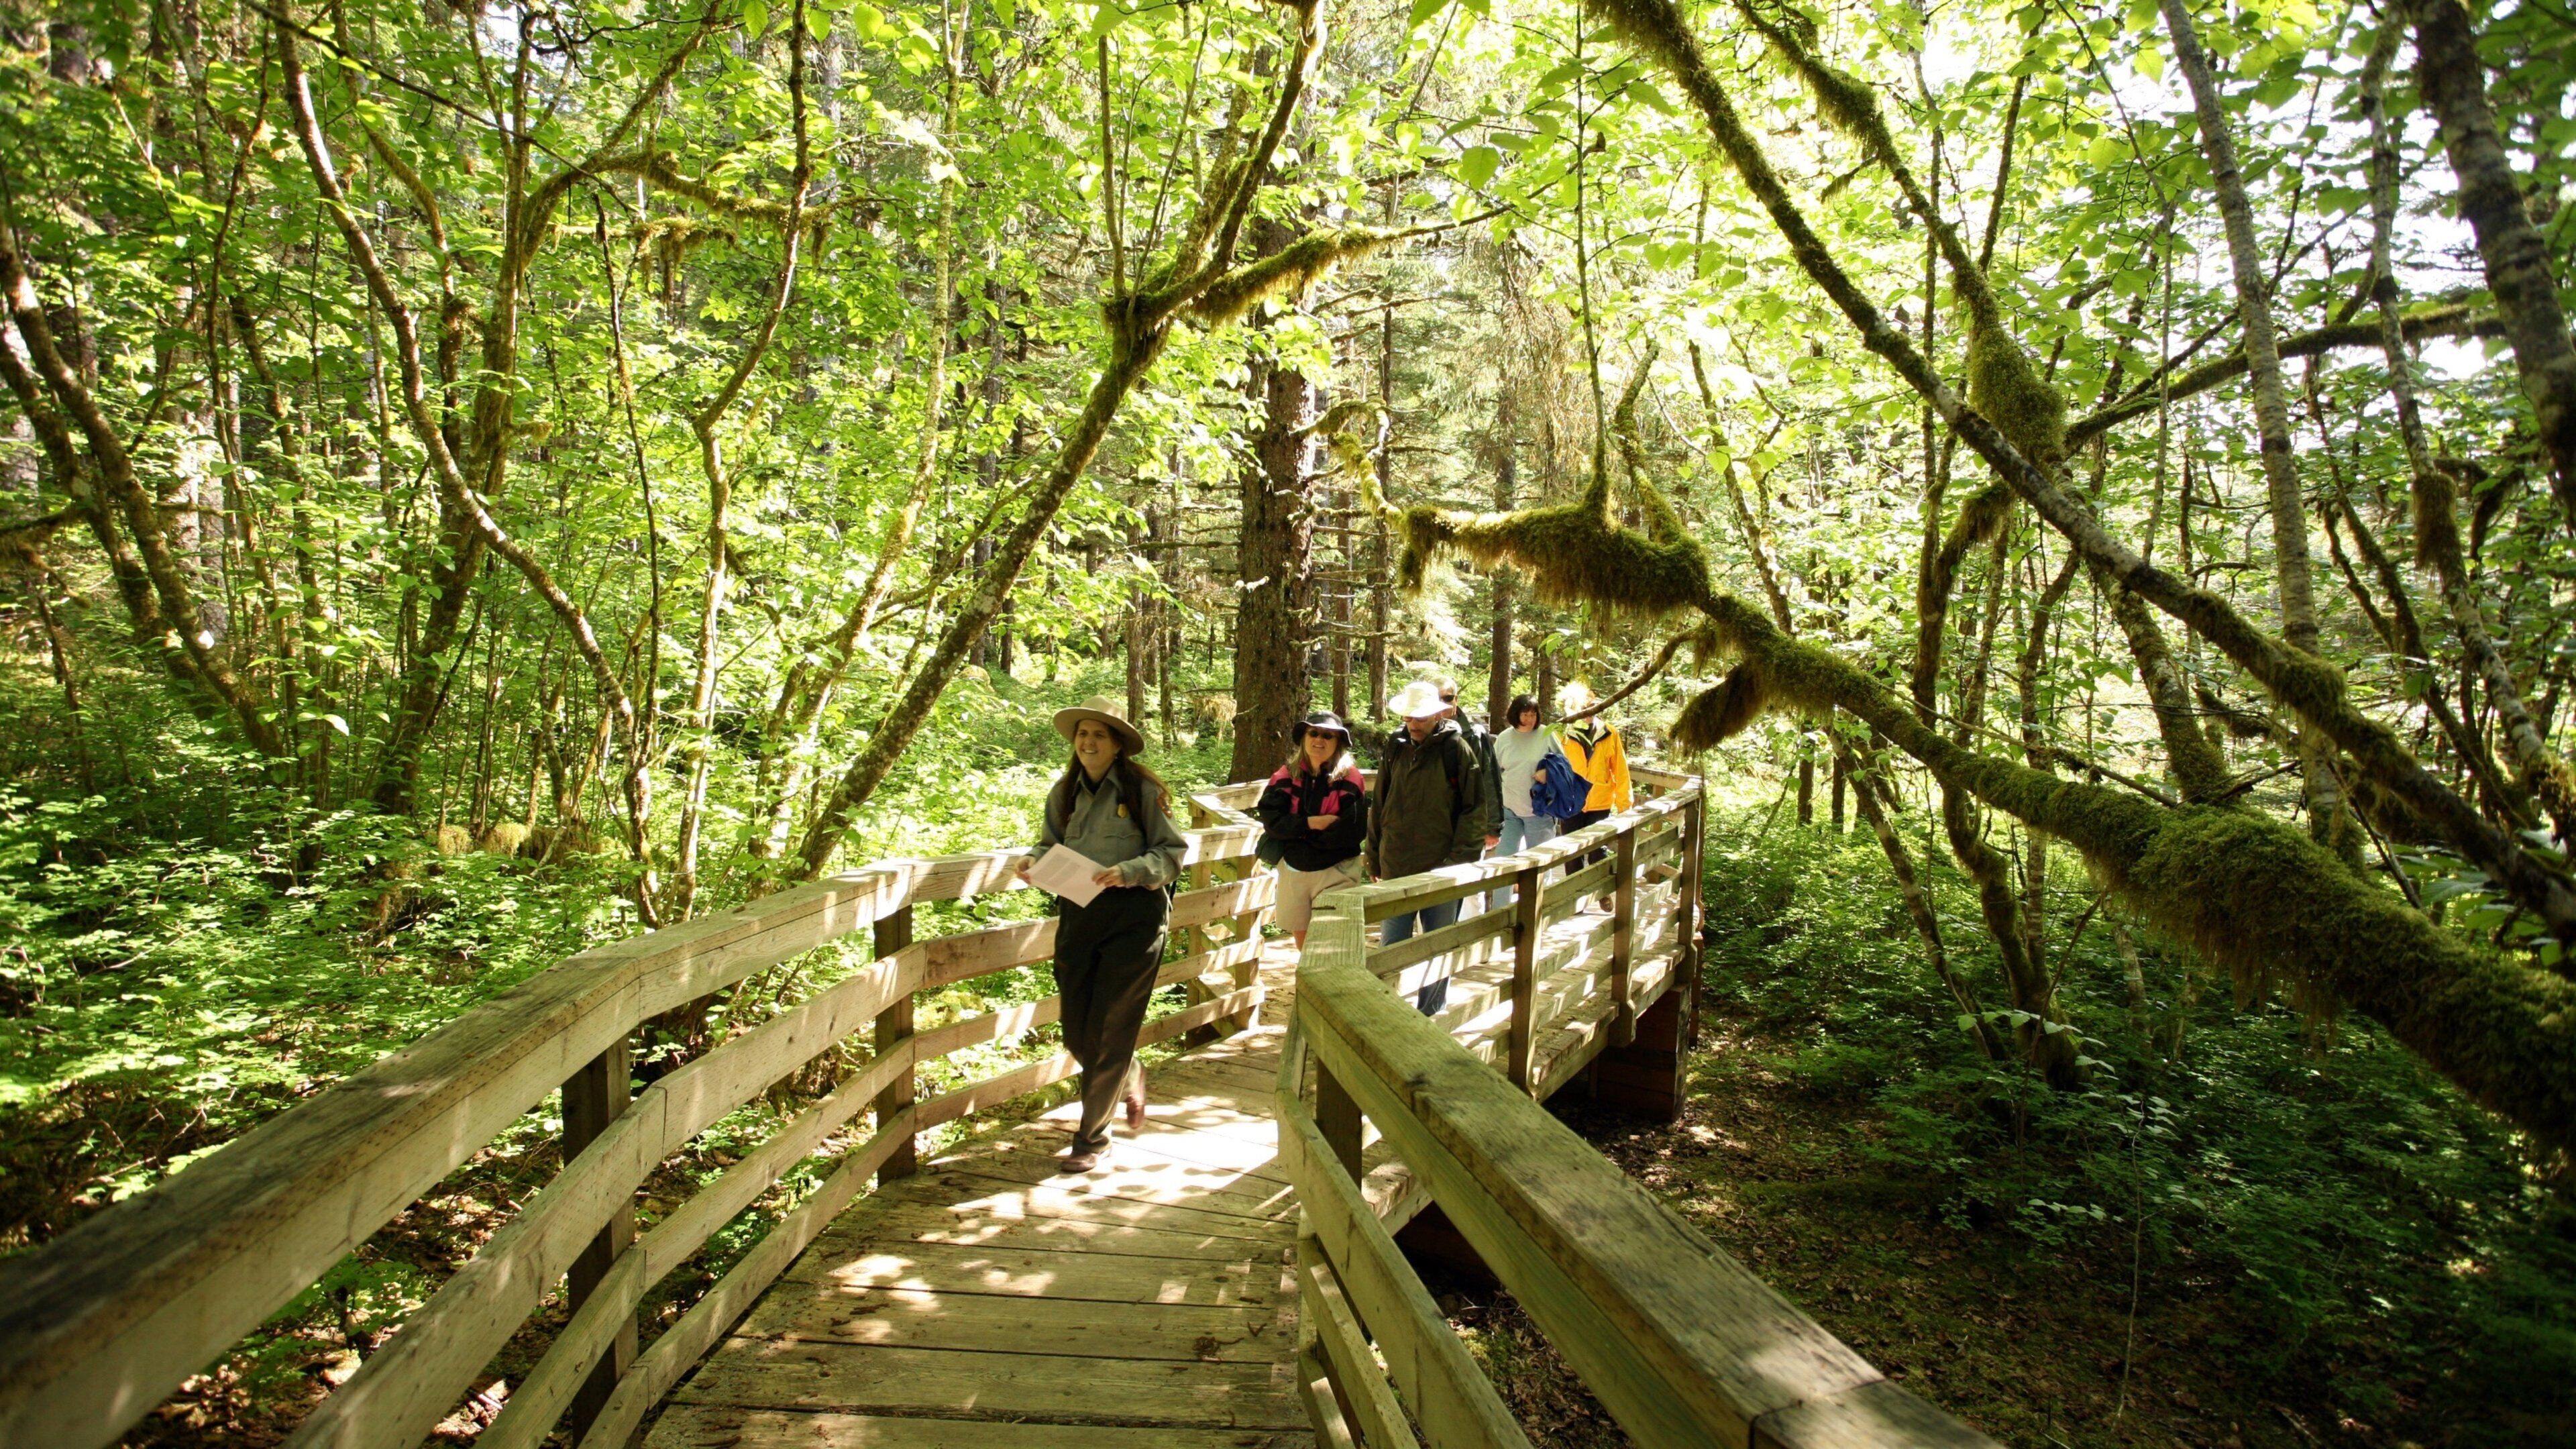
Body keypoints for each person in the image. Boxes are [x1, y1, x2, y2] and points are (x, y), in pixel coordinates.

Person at [1012, 696, 1186, 1173]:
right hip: (1079, 916)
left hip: (1135, 917)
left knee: (1111, 1027)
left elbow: (1171, 853)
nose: (1088, 742)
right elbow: (1048, 843)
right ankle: (1129, 1073)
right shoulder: (1064, 791)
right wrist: (1031, 861)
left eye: (1099, 735)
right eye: (1083, 734)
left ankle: (1093, 1138)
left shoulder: (1141, 790)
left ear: (1116, 746)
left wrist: (1129, 871)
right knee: (1075, 1028)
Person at [1367, 680, 1487, 1015]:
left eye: (1420, 717)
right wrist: (1374, 857)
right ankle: (1384, 1010)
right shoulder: (1395, 746)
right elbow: (1381, 802)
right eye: (1409, 717)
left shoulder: (1456, 749)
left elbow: (1474, 808)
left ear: (1437, 714)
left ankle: (1430, 1013)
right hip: (1397, 862)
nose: (1413, 723)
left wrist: (1458, 861)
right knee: (1392, 943)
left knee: (1437, 944)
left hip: (1441, 866)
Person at [1256, 711, 1369, 949]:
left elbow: (1351, 831)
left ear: (1338, 742)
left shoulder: (1351, 779)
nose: (1320, 740)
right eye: (1314, 733)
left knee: (1334, 943)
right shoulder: (1286, 775)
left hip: (1336, 870)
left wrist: (1298, 833)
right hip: (1295, 869)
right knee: (1304, 946)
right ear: (1304, 738)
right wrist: (1311, 824)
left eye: (1328, 736)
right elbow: (1271, 820)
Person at [1554, 682, 1633, 911]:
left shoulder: (1609, 733)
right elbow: (1556, 767)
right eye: (1585, 707)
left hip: (1600, 802)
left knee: (1599, 851)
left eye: (1593, 707)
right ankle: (1576, 899)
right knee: (1573, 852)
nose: (1589, 712)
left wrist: (1625, 805)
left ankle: (1602, 892)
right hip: (1571, 802)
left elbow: (1620, 769)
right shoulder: (1565, 734)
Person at [1436, 678, 1505, 914]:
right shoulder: (1421, 733)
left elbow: (1490, 779)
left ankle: (1472, 947)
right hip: (1435, 827)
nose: (1443, 704)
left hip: (1470, 824)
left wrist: (1493, 825)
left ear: (1456, 700)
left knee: (1470, 890)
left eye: (1448, 698)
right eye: (1438, 699)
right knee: (1432, 889)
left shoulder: (1475, 734)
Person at [1492, 692, 1566, 859]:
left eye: (1533, 714)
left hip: (1539, 810)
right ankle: (1503, 887)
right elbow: (1493, 773)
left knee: (1539, 861)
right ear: (1515, 714)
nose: (1530, 719)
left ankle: (1538, 887)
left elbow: (1564, 765)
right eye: (1525, 714)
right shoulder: (1504, 738)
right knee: (1503, 861)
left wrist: (1548, 772)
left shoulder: (1546, 734)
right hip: (1509, 809)